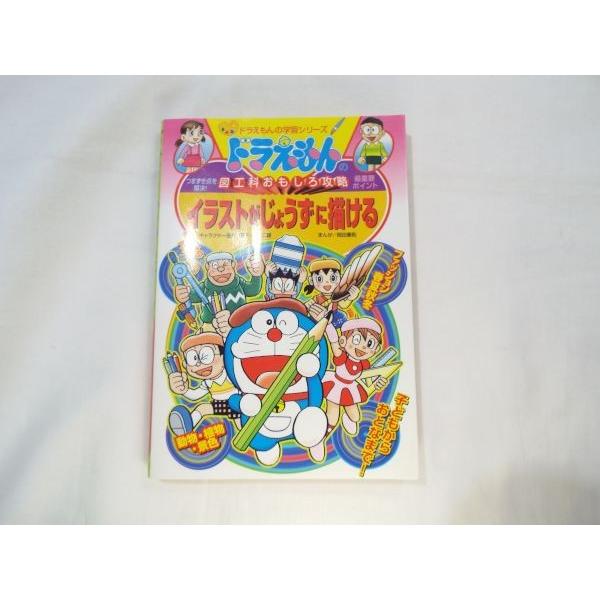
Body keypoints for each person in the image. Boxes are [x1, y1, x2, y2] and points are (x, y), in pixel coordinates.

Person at [322, 318, 388, 435]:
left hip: (351, 388)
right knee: (332, 416)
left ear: (376, 349)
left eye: (370, 343)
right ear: (343, 341)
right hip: (335, 385)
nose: (363, 347)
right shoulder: (342, 357)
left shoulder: (364, 364)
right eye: (357, 340)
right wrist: (328, 324)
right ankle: (322, 435)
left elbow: (370, 377)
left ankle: (347, 420)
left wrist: (379, 382)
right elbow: (334, 342)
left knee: (356, 417)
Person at [167, 331, 240, 435]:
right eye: (192, 358)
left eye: (206, 356)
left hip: (237, 402)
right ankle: (186, 426)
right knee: (202, 409)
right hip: (220, 404)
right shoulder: (207, 382)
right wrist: (184, 390)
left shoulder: (230, 373)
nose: (198, 364)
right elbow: (196, 395)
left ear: (223, 356)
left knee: (240, 421)